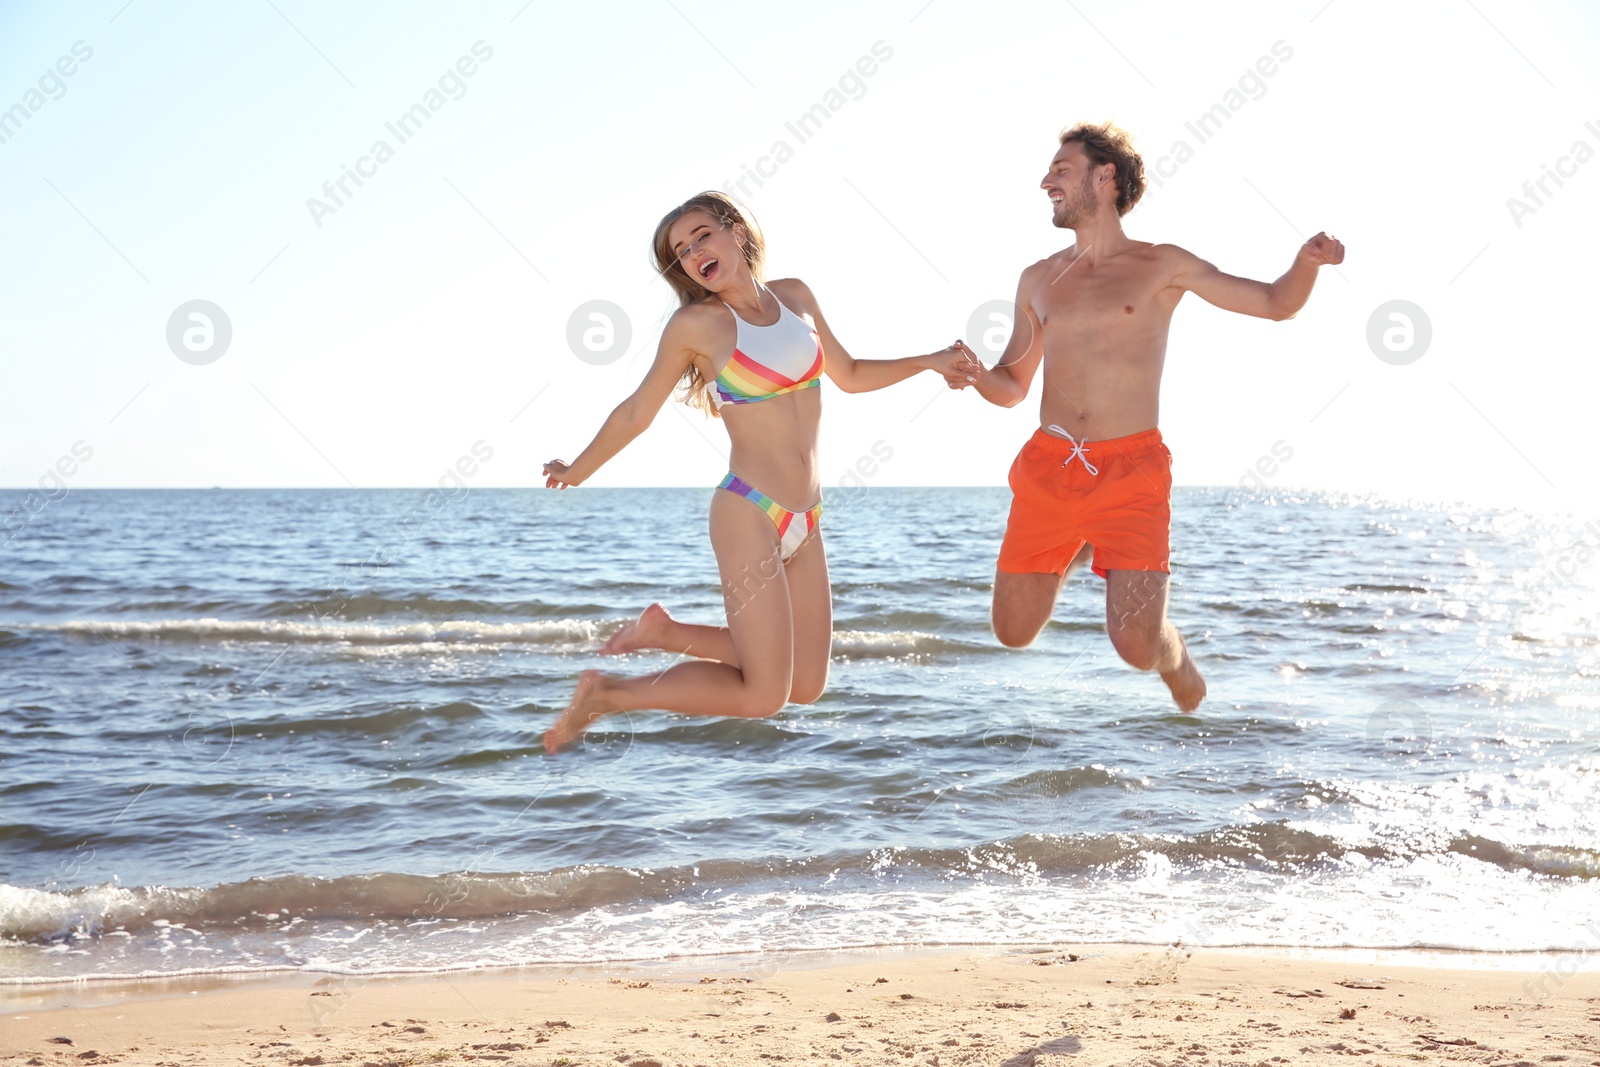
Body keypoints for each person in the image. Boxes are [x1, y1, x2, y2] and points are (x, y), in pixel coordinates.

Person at [541, 191, 979, 752]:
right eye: (681, 251)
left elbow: (849, 373)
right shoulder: (696, 325)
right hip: (748, 511)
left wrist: (929, 362)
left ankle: (665, 632)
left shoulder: (795, 297)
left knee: (807, 685)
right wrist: (579, 468)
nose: (694, 251)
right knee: (764, 695)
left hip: (807, 514)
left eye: (702, 235)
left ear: (736, 233)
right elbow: (636, 411)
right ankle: (608, 693)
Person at [964, 122, 1344, 712]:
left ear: (1105, 176)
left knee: (1136, 646)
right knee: (1012, 632)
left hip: (1130, 470)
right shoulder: (1037, 279)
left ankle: (1179, 661)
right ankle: (1081, 548)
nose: (1046, 181)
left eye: (1061, 170)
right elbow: (1012, 384)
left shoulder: (1162, 265)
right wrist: (971, 375)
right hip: (1049, 465)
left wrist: (1307, 263)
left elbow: (1274, 303)